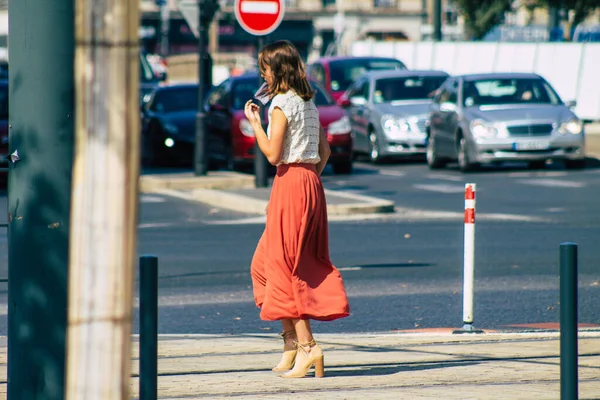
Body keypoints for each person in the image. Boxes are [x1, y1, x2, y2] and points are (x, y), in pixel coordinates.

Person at [244, 40, 350, 379]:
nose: (263, 73)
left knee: (283, 267)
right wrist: (307, 181)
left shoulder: (279, 104)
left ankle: (308, 347)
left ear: (277, 70)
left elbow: (274, 155)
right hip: (309, 183)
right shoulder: (308, 102)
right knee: (264, 264)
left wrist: (255, 124)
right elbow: (325, 153)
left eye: (265, 67)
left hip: (290, 182)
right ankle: (291, 341)